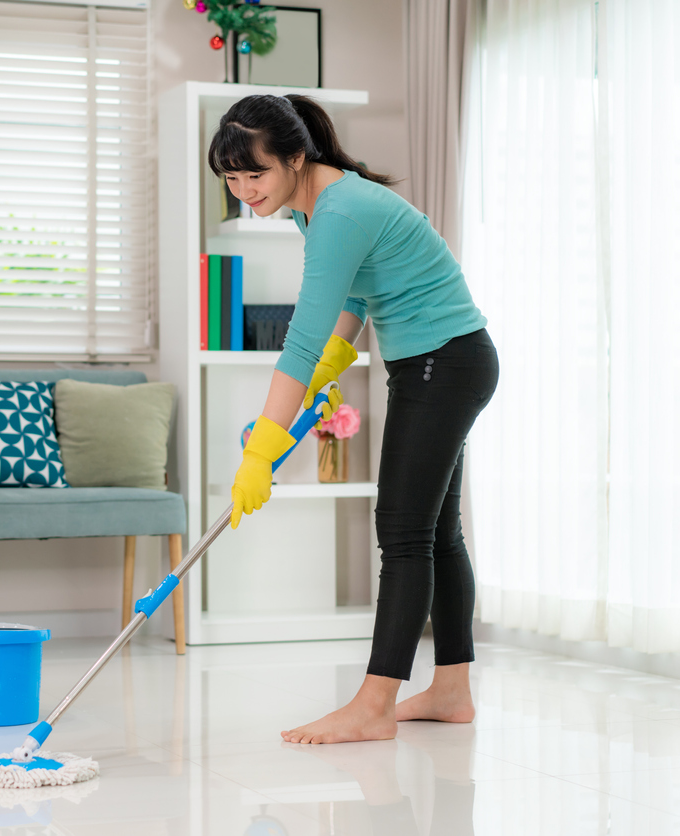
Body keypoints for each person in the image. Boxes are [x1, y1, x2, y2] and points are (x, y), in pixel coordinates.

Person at [212, 94, 499, 744]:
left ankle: (373, 705)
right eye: (230, 179)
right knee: (435, 531)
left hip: (439, 361)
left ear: (293, 157)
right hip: (440, 360)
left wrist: (261, 450)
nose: (242, 190)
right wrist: (333, 362)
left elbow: (301, 337)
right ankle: (451, 691)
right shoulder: (319, 206)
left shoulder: (339, 210)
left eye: (253, 174)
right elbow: (345, 304)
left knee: (401, 530)